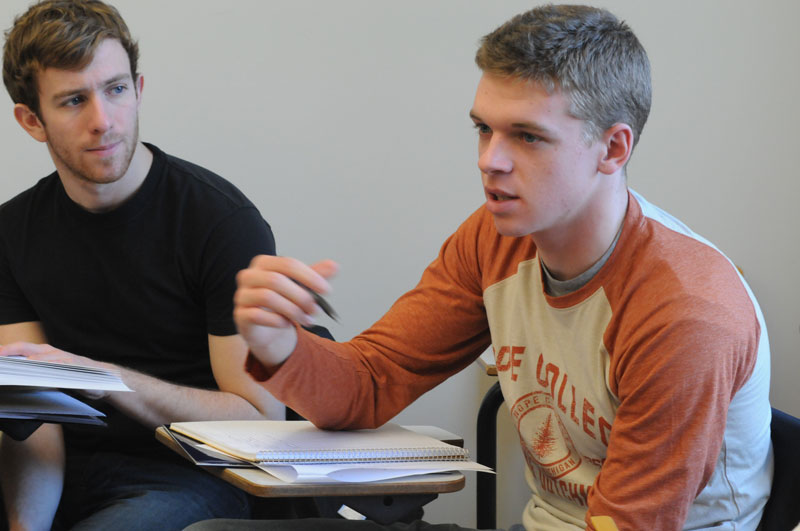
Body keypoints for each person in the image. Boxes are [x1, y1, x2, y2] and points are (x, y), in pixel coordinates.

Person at [203, 4, 774, 531]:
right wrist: (278, 343)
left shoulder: (685, 312)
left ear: (613, 149)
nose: (489, 160)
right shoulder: (499, 238)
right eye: (483, 128)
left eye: (527, 136)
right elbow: (369, 385)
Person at [0, 1, 287, 529]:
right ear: (31, 121)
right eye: (74, 100)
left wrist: (104, 379)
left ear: (138, 89)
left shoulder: (220, 222)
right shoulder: (10, 232)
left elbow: (260, 421)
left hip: (187, 475)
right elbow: (31, 417)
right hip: (58, 471)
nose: (102, 121)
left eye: (115, 90)